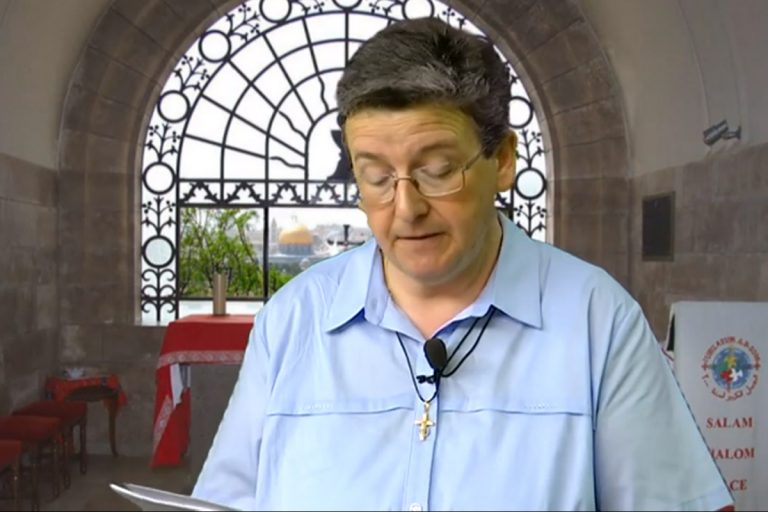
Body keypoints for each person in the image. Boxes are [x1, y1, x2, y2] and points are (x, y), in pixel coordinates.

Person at [192, 17, 733, 511]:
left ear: (502, 161)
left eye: (438, 170)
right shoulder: (294, 320)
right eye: (376, 176)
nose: (406, 208)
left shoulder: (597, 321)